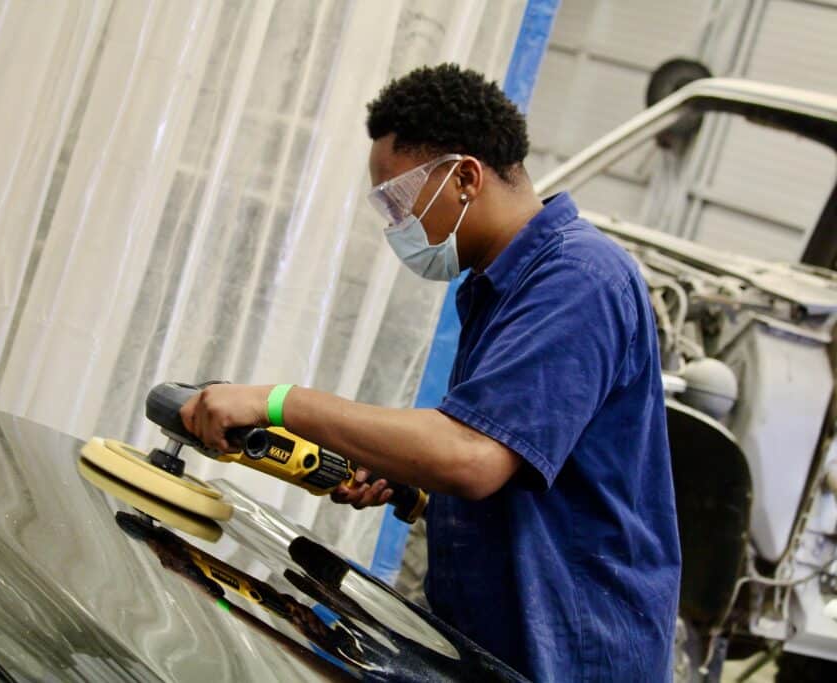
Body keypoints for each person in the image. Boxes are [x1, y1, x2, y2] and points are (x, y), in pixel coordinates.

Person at [180, 63, 681, 682]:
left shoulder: (579, 278)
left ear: (466, 176)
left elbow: (470, 458)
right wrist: (410, 482)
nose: (395, 226)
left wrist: (275, 402)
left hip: (570, 661)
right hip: (495, 649)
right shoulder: (501, 288)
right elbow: (509, 465)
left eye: (397, 198)